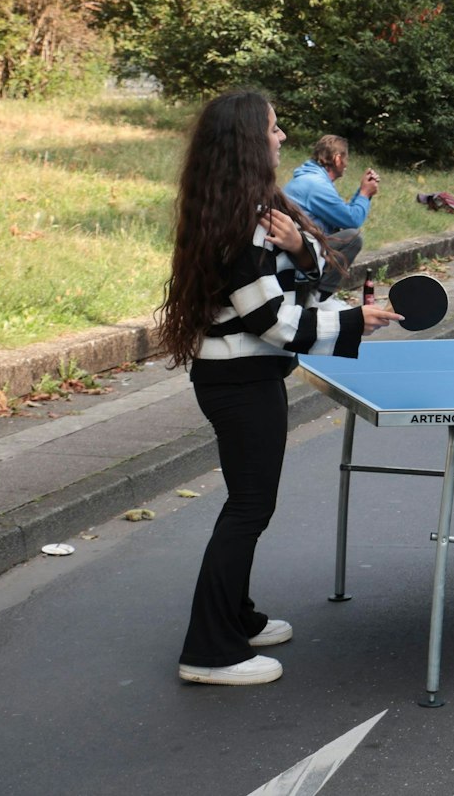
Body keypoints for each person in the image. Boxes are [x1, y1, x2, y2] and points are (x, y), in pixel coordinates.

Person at [159, 91, 400, 686]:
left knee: (250, 503)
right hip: (238, 379)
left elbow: (311, 267)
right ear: (247, 140)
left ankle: (235, 617)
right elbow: (272, 320)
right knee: (249, 507)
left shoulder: (248, 208)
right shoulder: (239, 222)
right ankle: (210, 650)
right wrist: (355, 321)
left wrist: (297, 244)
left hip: (244, 374)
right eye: (272, 128)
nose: (281, 137)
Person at [281, 135, 378, 294]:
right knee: (353, 238)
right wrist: (365, 194)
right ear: (338, 159)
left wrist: (362, 193)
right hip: (297, 258)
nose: (346, 165)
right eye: (346, 159)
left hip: (297, 249)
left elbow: (343, 217)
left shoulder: (311, 178)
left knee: (341, 233)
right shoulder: (316, 185)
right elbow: (352, 220)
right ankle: (318, 296)